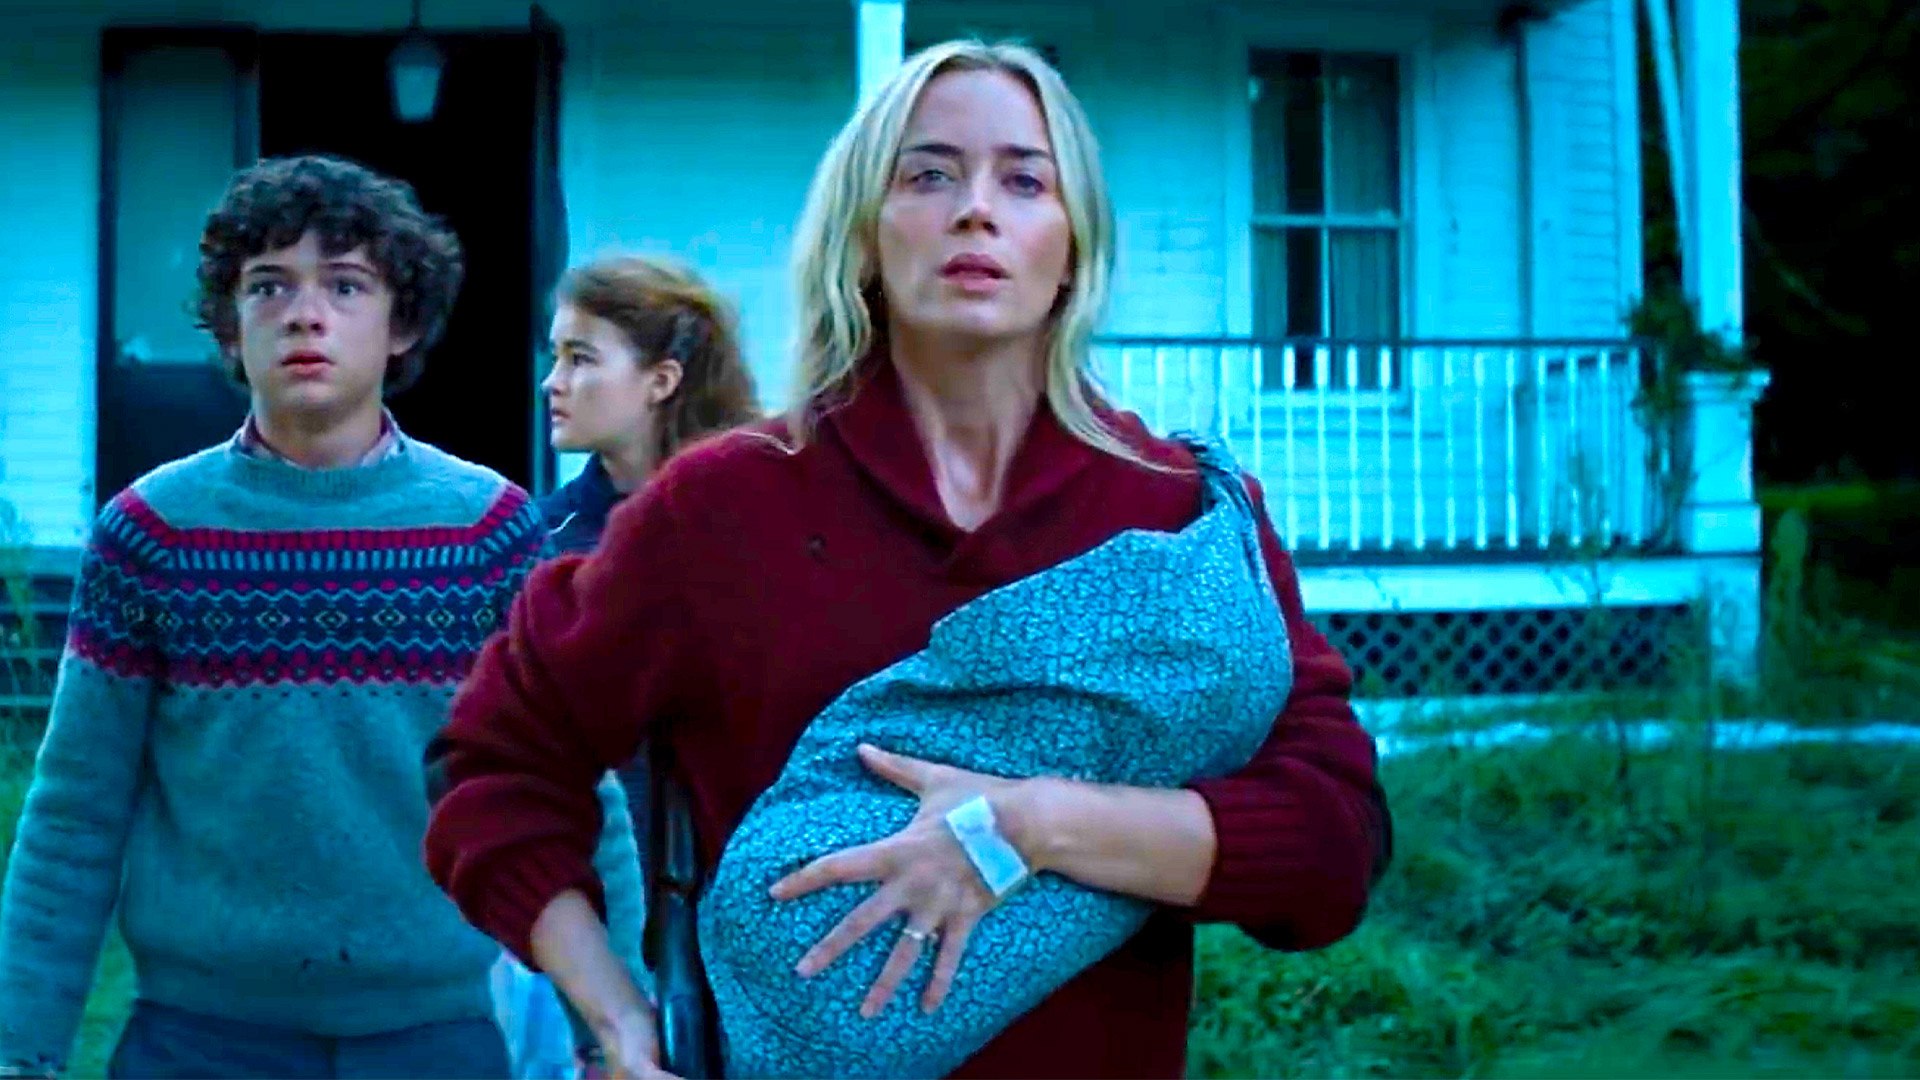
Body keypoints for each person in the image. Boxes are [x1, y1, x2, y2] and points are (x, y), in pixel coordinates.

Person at [422, 40, 1391, 1079]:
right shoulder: (721, 512)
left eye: (1024, 181)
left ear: (1075, 242)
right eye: (929, 175)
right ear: (864, 234)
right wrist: (617, 1018)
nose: (976, 210)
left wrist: (1033, 824)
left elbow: (1333, 841)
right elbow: (499, 762)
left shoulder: (1182, 519)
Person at [0, 153, 642, 1079]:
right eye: (269, 287)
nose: (306, 314)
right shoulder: (152, 534)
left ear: (400, 322)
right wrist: (23, 1052)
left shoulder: (487, 532)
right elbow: (76, 813)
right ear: (230, 327)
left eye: (345, 285)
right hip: (198, 1041)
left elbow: (572, 796)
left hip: (435, 1039)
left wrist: (616, 1033)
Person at [492, 254, 759, 1078]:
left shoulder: (762, 525)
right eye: (554, 356)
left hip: (748, 906)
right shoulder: (539, 546)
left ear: (661, 380)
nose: (552, 383)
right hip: (588, 918)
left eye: (580, 358)